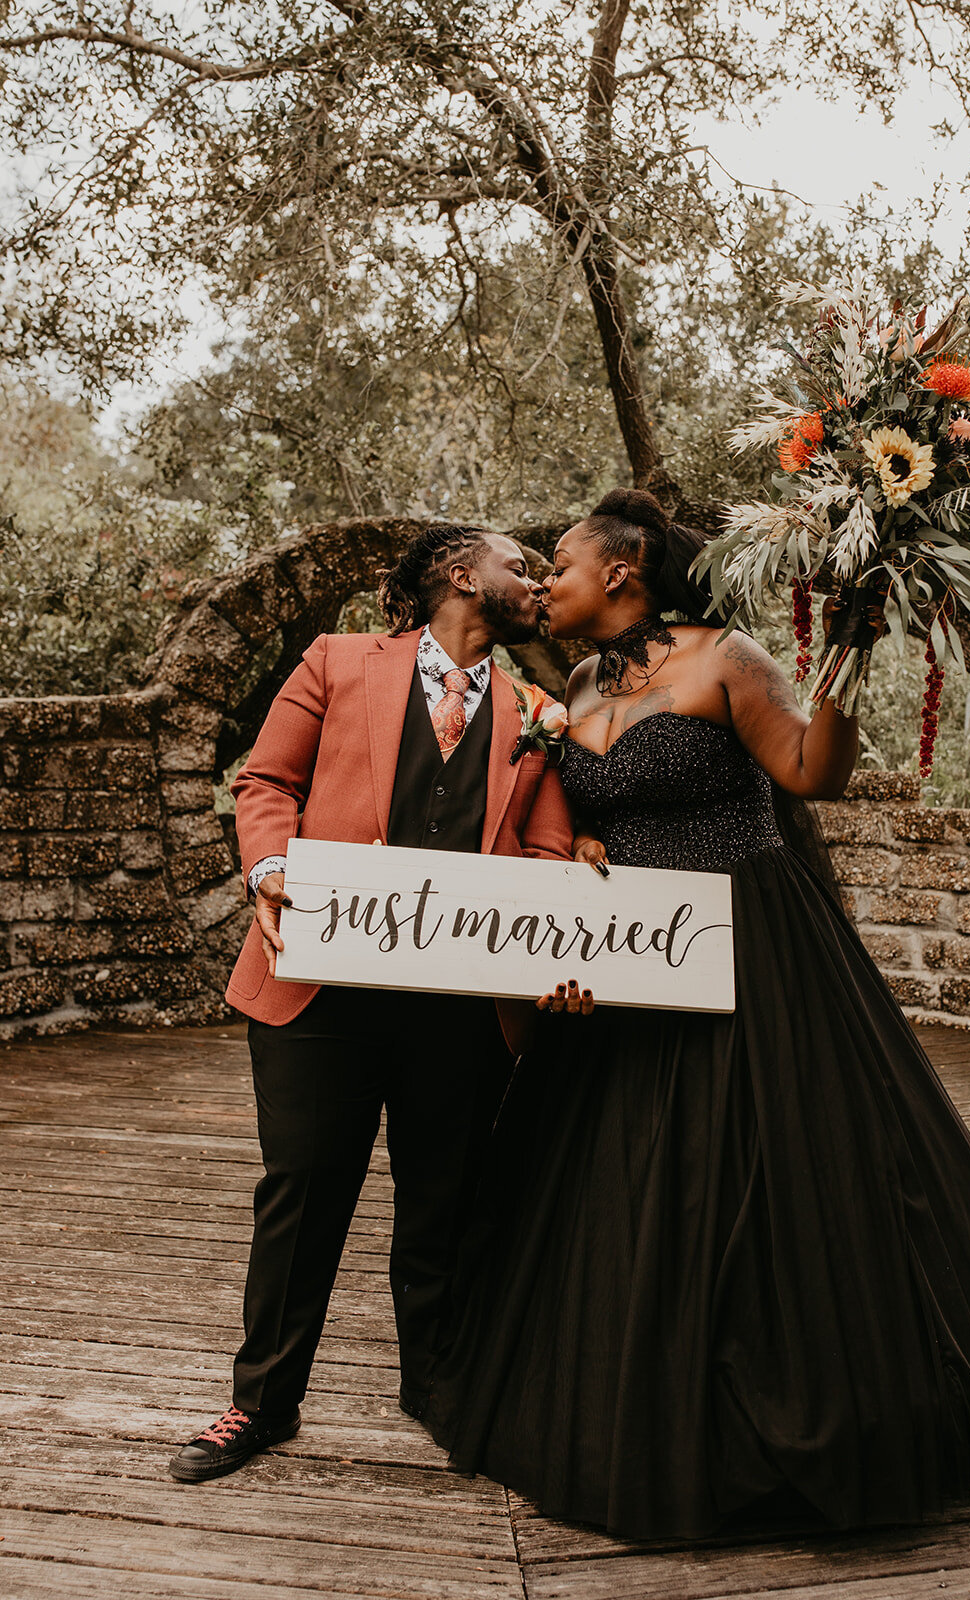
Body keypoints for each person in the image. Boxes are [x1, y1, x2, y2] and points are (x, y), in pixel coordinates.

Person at [421, 488, 970, 1539]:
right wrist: (583, 849)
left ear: (622, 571)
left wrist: (850, 657)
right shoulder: (579, 681)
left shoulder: (725, 657)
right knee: (632, 1180)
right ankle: (637, 1402)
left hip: (749, 947)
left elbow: (812, 773)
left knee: (770, 1173)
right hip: (631, 964)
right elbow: (583, 811)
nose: (548, 579)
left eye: (563, 562)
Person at [169, 525, 575, 1483]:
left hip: (462, 1006)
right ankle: (260, 1404)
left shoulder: (536, 710)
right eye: (520, 566)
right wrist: (269, 869)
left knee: (446, 1202)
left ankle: (436, 1393)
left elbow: (549, 853)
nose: (538, 582)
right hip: (319, 992)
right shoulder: (337, 660)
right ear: (460, 575)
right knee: (301, 1195)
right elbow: (265, 780)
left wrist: (558, 936)